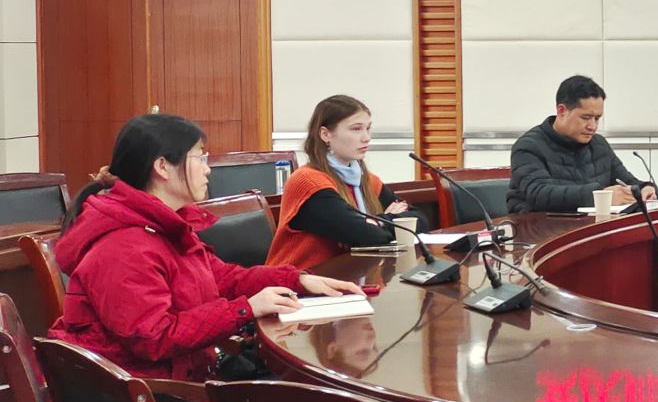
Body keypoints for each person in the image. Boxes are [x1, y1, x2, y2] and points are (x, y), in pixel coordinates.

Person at [50, 114, 363, 381]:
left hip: (186, 376)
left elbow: (222, 278)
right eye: (199, 158)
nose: (208, 168)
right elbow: (154, 338)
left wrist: (297, 280)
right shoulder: (124, 246)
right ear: (162, 167)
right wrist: (245, 309)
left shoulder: (164, 226)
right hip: (154, 400)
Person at [268, 95, 412, 270]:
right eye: (356, 129)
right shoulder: (308, 182)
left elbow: (417, 220)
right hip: (297, 282)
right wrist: (386, 221)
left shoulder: (365, 180)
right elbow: (367, 237)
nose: (366, 137)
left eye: (368, 128)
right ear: (325, 134)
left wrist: (377, 222)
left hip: (345, 277)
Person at [508, 75, 655, 214]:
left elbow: (627, 182)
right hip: (543, 228)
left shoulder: (598, 144)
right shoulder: (528, 146)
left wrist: (644, 189)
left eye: (597, 118)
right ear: (561, 111)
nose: (593, 126)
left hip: (593, 226)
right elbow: (540, 195)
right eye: (586, 118)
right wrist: (602, 196)